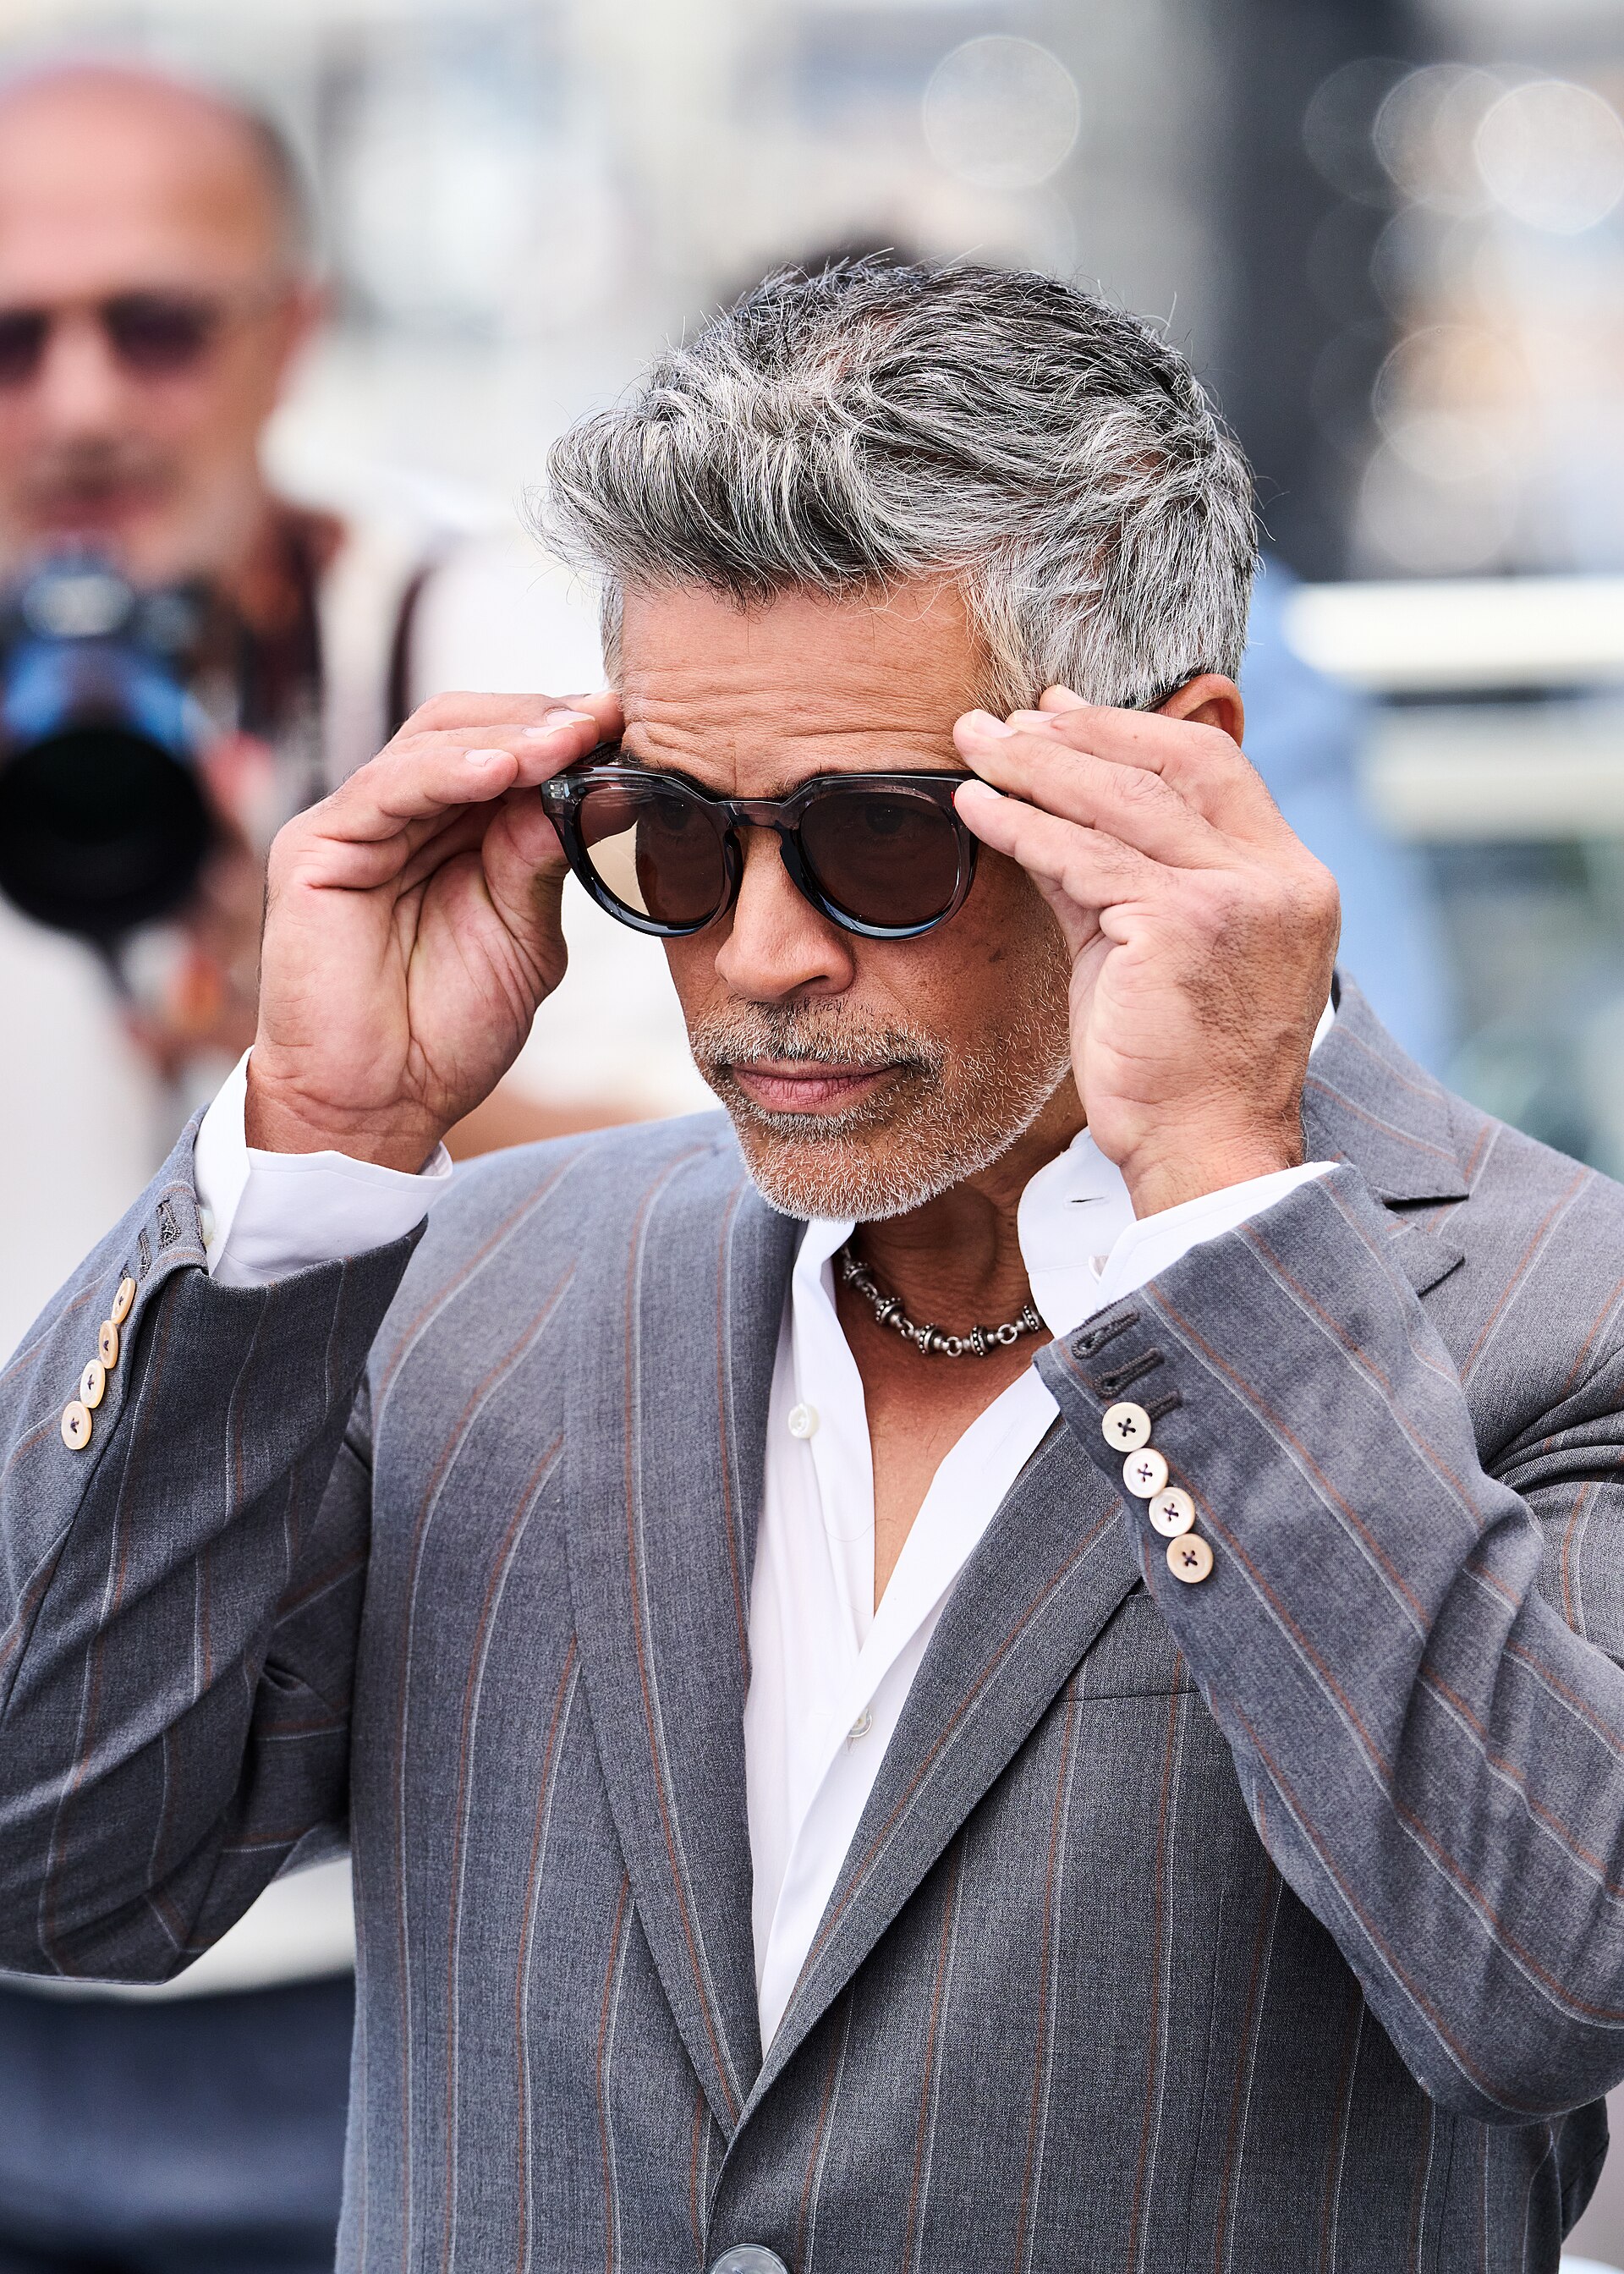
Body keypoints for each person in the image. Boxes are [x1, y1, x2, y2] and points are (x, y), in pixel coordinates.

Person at [2, 259, 1620, 2271]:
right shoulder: (458, 1292)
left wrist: (1213, 1189)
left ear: (1170, 773)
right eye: (671, 838)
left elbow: (1540, 1980)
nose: (761, 953)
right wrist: (313, 1152)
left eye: (878, 838)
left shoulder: (1557, 1317)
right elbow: (50, 1852)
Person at [0, 58, 590, 2274]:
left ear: (289, 333)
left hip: (379, 1897)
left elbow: (758, 1175)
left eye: (153, 325)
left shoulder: (471, 651)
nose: (77, 403)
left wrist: (345, 1079)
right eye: (10, 336)